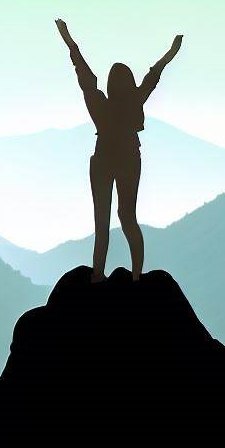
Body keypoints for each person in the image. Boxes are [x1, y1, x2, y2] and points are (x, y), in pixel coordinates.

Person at [55, 18, 183, 282]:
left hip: (102, 160)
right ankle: (137, 275)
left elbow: (85, 77)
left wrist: (69, 41)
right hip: (128, 159)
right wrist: (170, 53)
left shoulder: (99, 103)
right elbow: (153, 76)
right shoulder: (135, 100)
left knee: (101, 221)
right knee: (128, 217)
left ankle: (97, 275)